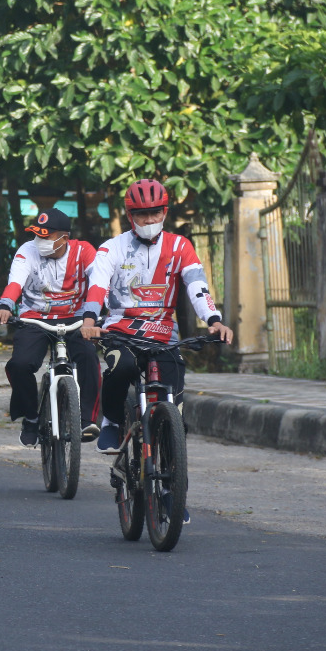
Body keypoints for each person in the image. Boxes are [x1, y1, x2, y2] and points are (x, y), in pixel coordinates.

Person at [80, 179, 233, 453]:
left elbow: (197, 286)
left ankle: (171, 473)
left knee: (173, 401)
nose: (149, 219)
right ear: (130, 216)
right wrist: (90, 321)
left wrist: (214, 320)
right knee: (122, 367)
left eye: (155, 212)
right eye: (141, 213)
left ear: (165, 212)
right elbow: (98, 286)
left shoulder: (180, 246)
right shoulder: (110, 249)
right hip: (120, 332)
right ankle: (111, 423)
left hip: (164, 335)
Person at [0, 209, 101, 448]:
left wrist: (92, 317)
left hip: (76, 318)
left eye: (47, 237)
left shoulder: (85, 251)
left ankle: (87, 419)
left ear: (64, 238)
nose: (39, 242)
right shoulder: (27, 251)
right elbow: (15, 282)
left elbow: (98, 283)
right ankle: (31, 418)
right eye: (37, 236)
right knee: (19, 364)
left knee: (88, 356)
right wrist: (5, 304)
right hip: (35, 319)